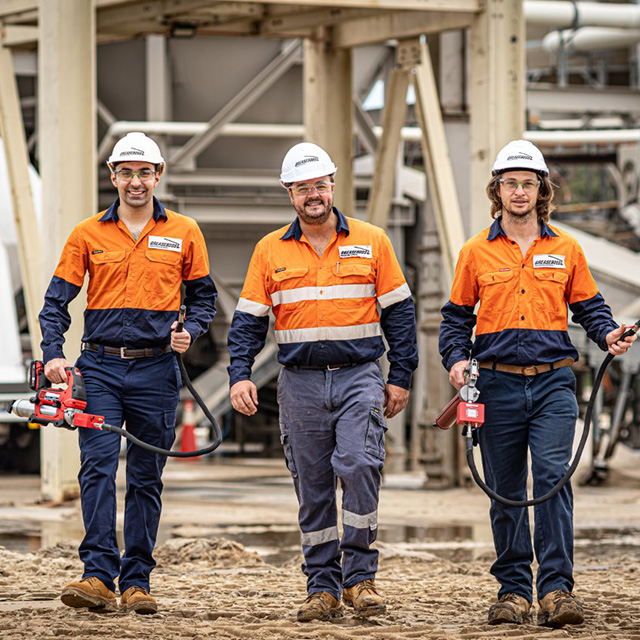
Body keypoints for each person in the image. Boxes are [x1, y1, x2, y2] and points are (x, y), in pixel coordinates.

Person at [439, 139, 636, 628]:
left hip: (552, 385)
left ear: (541, 190)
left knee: (551, 480)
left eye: (529, 183)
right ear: (498, 190)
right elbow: (455, 319)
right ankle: (512, 591)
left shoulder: (566, 248)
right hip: (496, 385)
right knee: (505, 489)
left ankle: (555, 590)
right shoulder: (475, 252)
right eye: (511, 183)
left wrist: (608, 333)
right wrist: (456, 361)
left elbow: (590, 308)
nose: (520, 191)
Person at [227, 142, 418, 622]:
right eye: (302, 187)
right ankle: (322, 588)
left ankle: (360, 580)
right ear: (289, 193)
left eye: (320, 185)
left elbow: (400, 315)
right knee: (311, 486)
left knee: (357, 465)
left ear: (333, 186)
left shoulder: (372, 240)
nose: (313, 194)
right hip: (300, 383)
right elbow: (249, 321)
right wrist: (239, 375)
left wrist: (401, 377)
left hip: (359, 378)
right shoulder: (269, 250)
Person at [39, 132, 217, 615]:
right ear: (113, 176)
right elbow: (56, 302)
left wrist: (192, 329)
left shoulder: (185, 231)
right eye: (126, 172)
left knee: (145, 476)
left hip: (157, 369)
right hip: (97, 368)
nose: (135, 181)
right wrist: (53, 353)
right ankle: (97, 575)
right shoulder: (86, 234)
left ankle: (137, 579)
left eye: (144, 172)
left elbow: (204, 298)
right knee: (97, 467)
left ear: (158, 176)